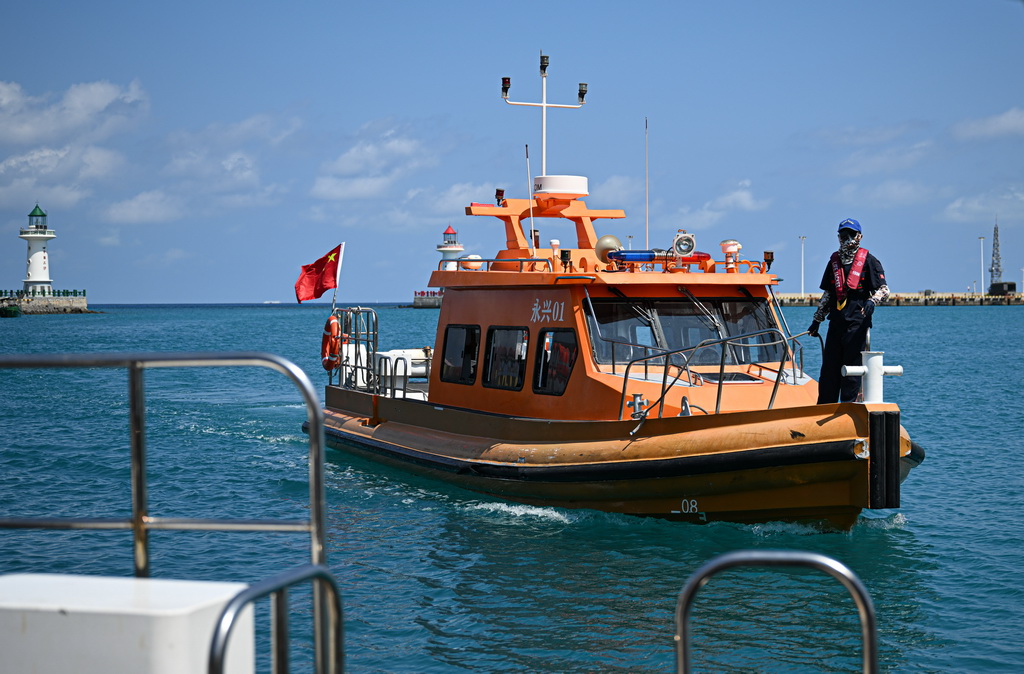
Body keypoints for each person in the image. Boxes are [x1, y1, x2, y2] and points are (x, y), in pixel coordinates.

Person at [807, 218, 890, 404]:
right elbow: (828, 295)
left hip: (857, 324)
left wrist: (872, 301)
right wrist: (817, 321)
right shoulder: (834, 262)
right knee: (829, 370)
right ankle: (824, 408)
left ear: (859, 236)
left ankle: (848, 407)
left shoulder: (869, 261)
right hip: (836, 323)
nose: (847, 238)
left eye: (851, 234)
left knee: (852, 370)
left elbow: (884, 290)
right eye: (843, 235)